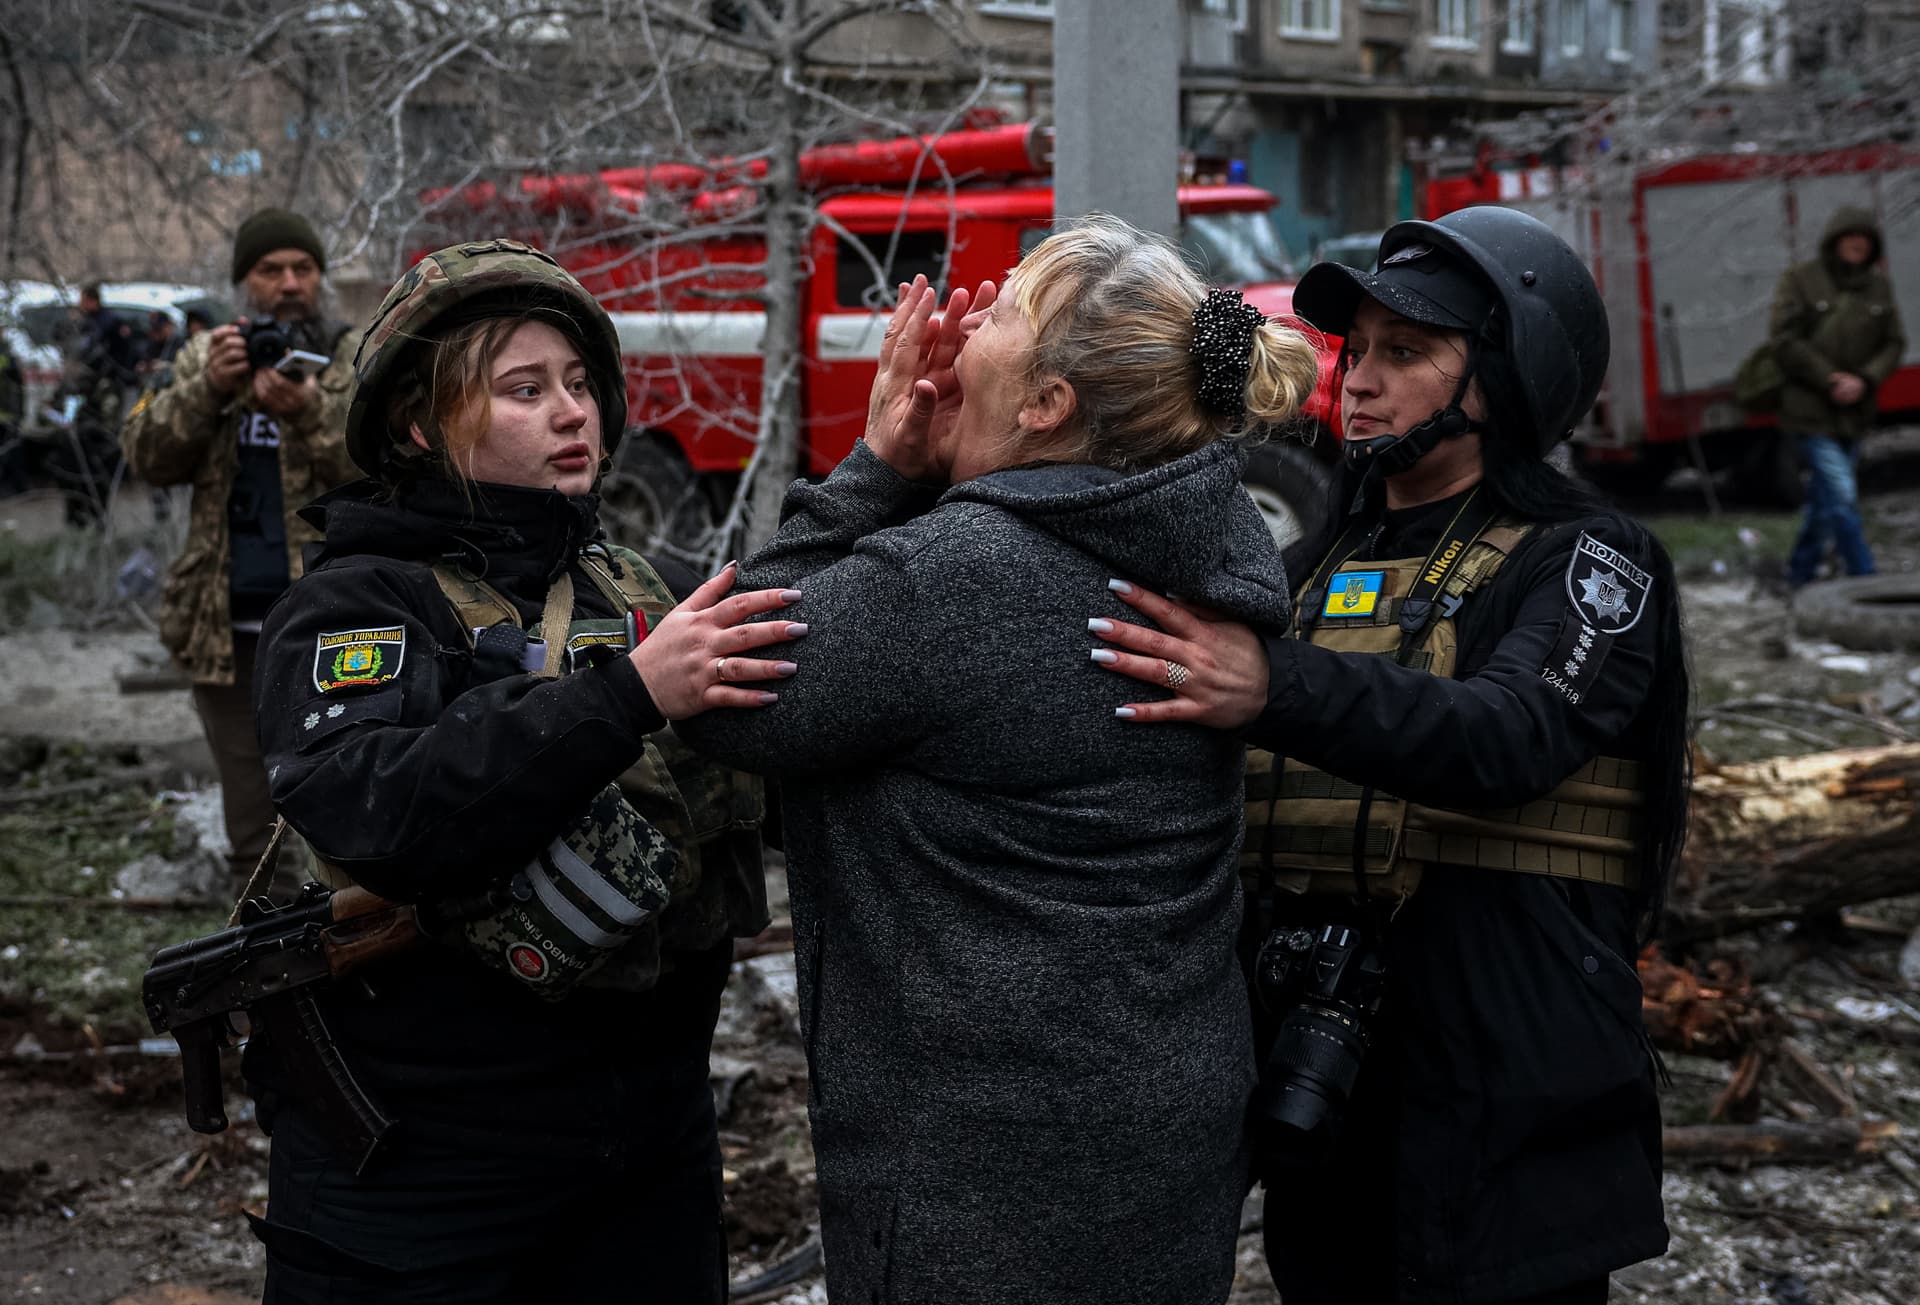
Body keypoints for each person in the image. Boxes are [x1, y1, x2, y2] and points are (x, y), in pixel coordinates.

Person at [678, 214, 1321, 1305]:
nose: (970, 319)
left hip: (982, 1163)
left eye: (1011, 304)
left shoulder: (951, 580)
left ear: (1047, 405)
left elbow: (726, 685)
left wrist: (876, 467)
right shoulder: (1217, 540)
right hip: (1167, 1115)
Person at [1089, 207, 1690, 1305]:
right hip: (1329, 1080)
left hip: (1509, 1089)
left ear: (1504, 378)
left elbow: (1513, 736)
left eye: (1405, 353)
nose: (1357, 381)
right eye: (1354, 351)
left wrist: (1272, 684)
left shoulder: (1591, 560)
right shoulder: (1312, 565)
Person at [245, 239, 800, 1302]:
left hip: (648, 1148)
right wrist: (627, 696)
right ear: (421, 425)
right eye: (524, 389)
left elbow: (818, 668)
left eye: (581, 384)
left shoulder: (648, 586)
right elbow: (377, 808)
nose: (571, 412)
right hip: (425, 1168)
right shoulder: (360, 605)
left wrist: (890, 474)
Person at [122, 208, 359, 901]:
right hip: (225, 626)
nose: (289, 283)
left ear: (319, 279)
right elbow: (144, 455)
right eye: (270, 270)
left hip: (328, 619)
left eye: (303, 268)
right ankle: (264, 960)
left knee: (340, 796)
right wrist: (208, 392)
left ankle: (347, 949)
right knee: (252, 817)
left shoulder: (347, 360)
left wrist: (309, 410)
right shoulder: (203, 358)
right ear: (243, 283)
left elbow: (379, 470)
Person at [1771, 206, 1905, 587]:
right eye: (1850, 240)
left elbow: (1894, 342)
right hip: (1810, 412)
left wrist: (1864, 379)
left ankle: (1798, 575)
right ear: (1835, 242)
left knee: (1824, 504)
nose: (1856, 247)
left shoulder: (1879, 287)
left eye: (1864, 242)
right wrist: (1830, 378)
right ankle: (1867, 580)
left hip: (1856, 412)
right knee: (1843, 496)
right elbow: (1784, 340)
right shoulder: (1801, 280)